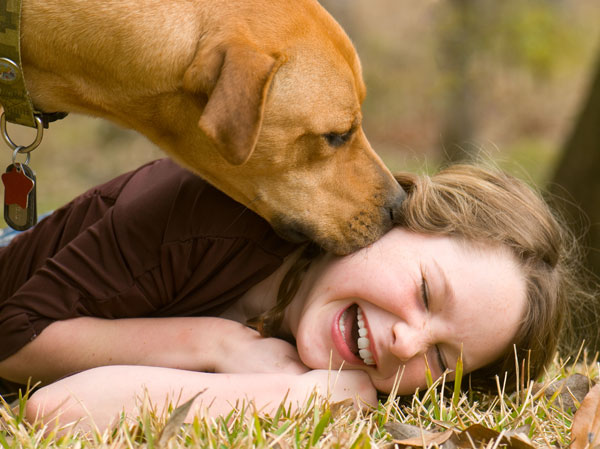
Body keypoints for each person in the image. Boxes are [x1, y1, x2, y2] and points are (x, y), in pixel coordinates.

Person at [0, 158, 581, 431]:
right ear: (402, 214)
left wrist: (301, 391)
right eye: (427, 293)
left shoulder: (346, 357)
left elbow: (74, 407)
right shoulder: (211, 202)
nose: (407, 342)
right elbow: (16, 350)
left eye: (441, 359)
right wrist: (220, 347)